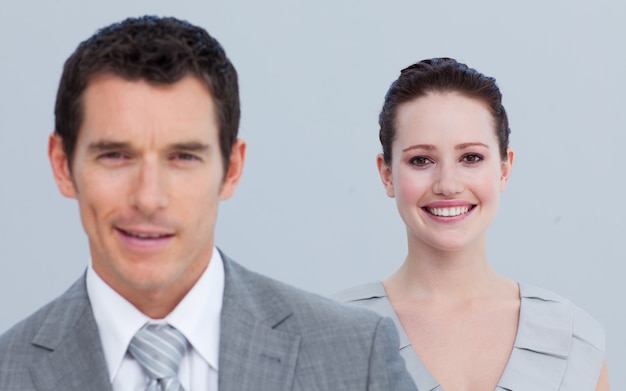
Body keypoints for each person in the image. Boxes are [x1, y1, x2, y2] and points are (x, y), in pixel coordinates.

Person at [0, 16, 417, 391]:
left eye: (183, 157)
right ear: (62, 165)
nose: (148, 198)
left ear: (231, 168)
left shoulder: (357, 357)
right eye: (115, 155)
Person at [334, 58, 609, 391]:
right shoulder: (329, 334)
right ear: (387, 174)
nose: (447, 185)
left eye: (471, 158)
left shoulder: (571, 339)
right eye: (421, 160)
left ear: (505, 168)